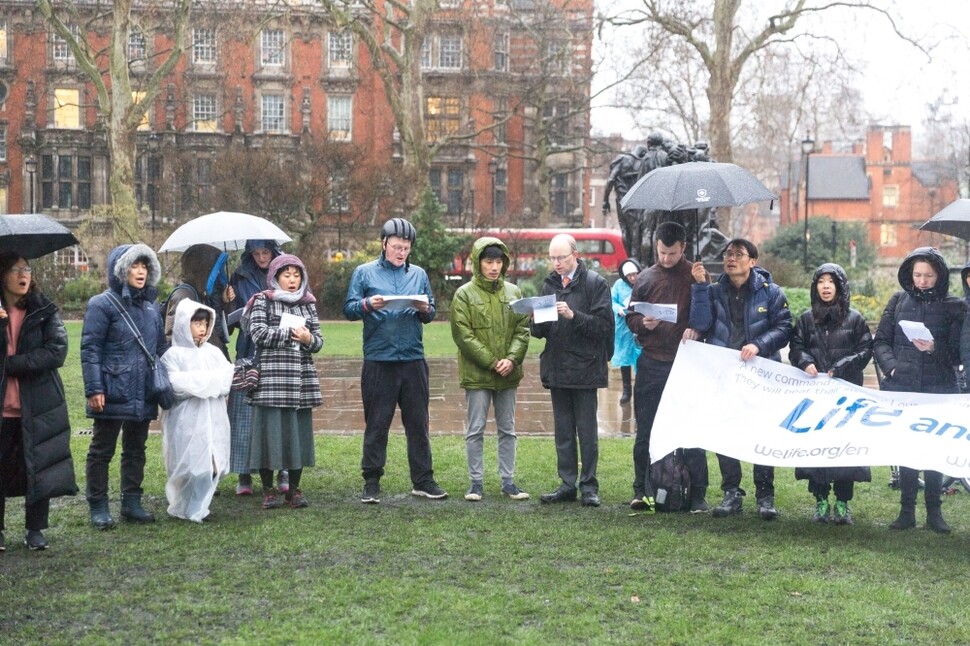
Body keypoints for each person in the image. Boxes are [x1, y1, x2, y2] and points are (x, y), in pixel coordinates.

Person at [344, 218, 447, 503]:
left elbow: (431, 312)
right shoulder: (363, 273)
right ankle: (372, 480)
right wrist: (367, 304)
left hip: (413, 359)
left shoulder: (419, 274)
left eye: (406, 248)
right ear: (384, 243)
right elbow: (349, 308)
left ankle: (423, 480)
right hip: (379, 358)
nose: (401, 252)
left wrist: (426, 309)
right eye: (397, 246)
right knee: (377, 423)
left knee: (418, 422)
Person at [688, 238, 792, 520]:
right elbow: (699, 324)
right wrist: (699, 286)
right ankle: (731, 492)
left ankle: (765, 495)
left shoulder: (771, 292)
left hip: (760, 374)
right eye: (727, 254)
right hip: (725, 373)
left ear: (752, 262)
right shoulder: (713, 291)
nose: (731, 258)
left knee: (762, 432)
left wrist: (759, 344)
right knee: (725, 432)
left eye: (738, 254)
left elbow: (784, 328)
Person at [877, 247, 964, 533]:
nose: (922, 280)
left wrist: (934, 348)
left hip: (939, 388)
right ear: (909, 274)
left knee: (933, 451)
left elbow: (959, 354)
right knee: (907, 450)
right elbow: (881, 342)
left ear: (939, 275)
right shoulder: (898, 300)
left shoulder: (953, 306)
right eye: (917, 275)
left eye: (928, 275)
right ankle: (906, 512)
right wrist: (892, 368)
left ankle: (934, 513)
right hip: (904, 387)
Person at [81, 243, 168, 529]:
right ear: (121, 270)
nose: (140, 271)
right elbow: (90, 349)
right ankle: (99, 505)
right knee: (102, 449)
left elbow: (158, 348)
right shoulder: (101, 304)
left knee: (136, 448)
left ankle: (131, 502)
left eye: (144, 266)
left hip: (142, 389)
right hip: (112, 388)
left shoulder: (151, 307)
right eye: (134, 266)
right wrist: (95, 389)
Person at [625, 222, 708, 513]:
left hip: (686, 364)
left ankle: (697, 493)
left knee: (691, 429)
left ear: (683, 248)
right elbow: (631, 316)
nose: (666, 259)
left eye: (672, 254)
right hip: (652, 362)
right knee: (645, 430)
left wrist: (696, 328)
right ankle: (642, 489)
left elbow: (707, 316)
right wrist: (642, 323)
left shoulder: (696, 275)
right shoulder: (646, 277)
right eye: (662, 252)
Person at [0, 253, 77, 551]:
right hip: (4, 409)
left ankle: (35, 530)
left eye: (27, 269)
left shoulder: (43, 309)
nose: (24, 274)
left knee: (40, 468)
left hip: (39, 405)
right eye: (16, 269)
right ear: (3, 275)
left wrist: (14, 364)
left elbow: (57, 350)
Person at [532, 233, 614, 507]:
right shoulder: (549, 284)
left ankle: (589, 487)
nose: (556, 263)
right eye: (552, 258)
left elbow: (604, 327)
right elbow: (540, 332)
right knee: (563, 432)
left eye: (561, 257)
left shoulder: (595, 284)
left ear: (575, 255)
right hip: (557, 369)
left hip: (585, 370)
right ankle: (567, 484)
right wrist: (535, 320)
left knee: (587, 432)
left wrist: (573, 316)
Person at [788, 263, 873, 525]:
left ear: (840, 286)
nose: (826, 286)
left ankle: (843, 502)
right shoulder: (806, 318)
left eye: (831, 282)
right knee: (817, 448)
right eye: (821, 282)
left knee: (845, 449)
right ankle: (821, 500)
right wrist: (804, 361)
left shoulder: (855, 319)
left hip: (846, 396)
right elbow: (796, 346)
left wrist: (843, 366)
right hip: (816, 396)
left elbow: (865, 350)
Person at [450, 237, 531, 502]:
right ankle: (476, 483)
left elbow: (522, 329)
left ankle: (508, 482)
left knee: (508, 429)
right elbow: (463, 334)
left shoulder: (514, 292)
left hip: (508, 374)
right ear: (478, 263)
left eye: (498, 261)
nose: (494, 267)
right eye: (489, 261)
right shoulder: (464, 294)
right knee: (476, 429)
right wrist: (492, 362)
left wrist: (512, 359)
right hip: (478, 375)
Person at [245, 254, 324, 510]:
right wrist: (291, 334)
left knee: (297, 435)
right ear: (276, 277)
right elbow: (257, 333)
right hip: (270, 378)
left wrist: (308, 339)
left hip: (300, 380)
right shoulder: (262, 301)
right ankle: (268, 490)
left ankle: (294, 490)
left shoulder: (308, 304)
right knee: (267, 435)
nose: (292, 280)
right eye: (286, 275)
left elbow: (319, 341)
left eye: (296, 275)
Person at [160, 300, 233, 523]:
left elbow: (225, 379)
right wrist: (207, 383)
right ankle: (186, 505)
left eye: (205, 323)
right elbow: (176, 384)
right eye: (196, 323)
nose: (202, 328)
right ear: (184, 324)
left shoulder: (214, 353)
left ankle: (200, 506)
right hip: (186, 419)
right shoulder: (173, 355)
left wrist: (203, 385)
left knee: (211, 463)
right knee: (189, 464)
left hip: (213, 417)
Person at [226, 240, 286, 497]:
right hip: (248, 347)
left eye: (266, 252)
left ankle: (282, 469)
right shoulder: (238, 276)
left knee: (278, 413)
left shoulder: (286, 270)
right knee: (244, 414)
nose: (262, 258)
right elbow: (227, 323)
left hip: (278, 349)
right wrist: (228, 303)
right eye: (257, 253)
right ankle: (244, 473)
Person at [163, 244, 232, 360]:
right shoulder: (184, 295)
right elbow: (172, 337)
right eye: (214, 271)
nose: (217, 275)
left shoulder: (202, 294)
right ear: (202, 271)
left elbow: (220, 331)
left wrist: (223, 300)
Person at [611, 257, 642, 405]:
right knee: (624, 359)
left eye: (635, 274)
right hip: (623, 326)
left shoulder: (643, 282)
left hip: (639, 323)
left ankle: (639, 390)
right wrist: (619, 309)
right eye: (629, 276)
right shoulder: (618, 285)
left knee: (639, 358)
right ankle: (626, 390)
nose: (633, 278)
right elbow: (612, 301)